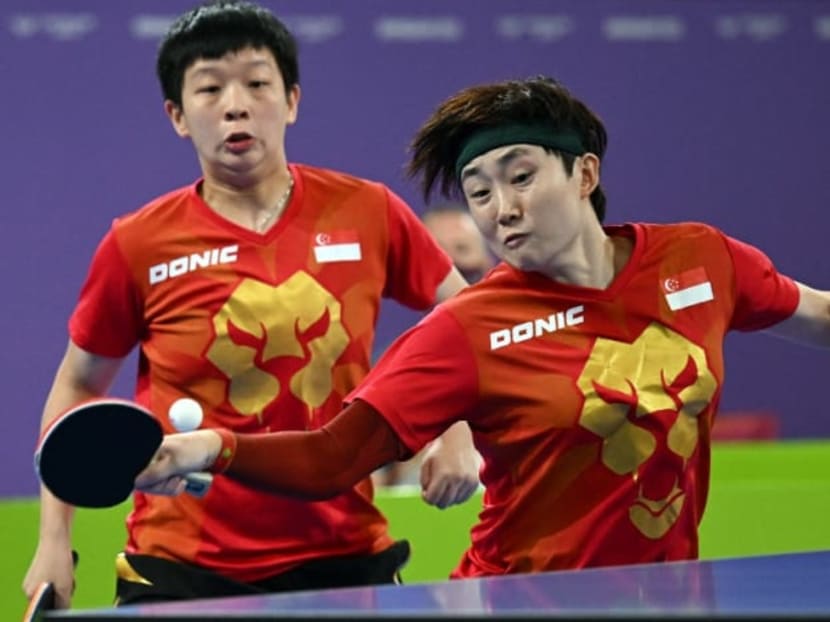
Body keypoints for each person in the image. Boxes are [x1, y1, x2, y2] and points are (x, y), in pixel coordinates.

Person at [136, 74, 830, 578]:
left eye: (521, 176)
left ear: (584, 173)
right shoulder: (466, 329)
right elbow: (333, 458)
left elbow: (818, 315)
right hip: (518, 601)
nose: (502, 209)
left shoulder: (700, 258)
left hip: (663, 594)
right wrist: (207, 449)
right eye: (479, 193)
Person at [22, 0, 482, 608]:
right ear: (177, 116)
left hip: (344, 552)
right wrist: (54, 539)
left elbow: (473, 320)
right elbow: (78, 389)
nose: (235, 104)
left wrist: (456, 427)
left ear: (291, 100)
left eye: (257, 84)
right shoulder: (138, 242)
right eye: (209, 89)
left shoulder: (367, 211)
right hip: (181, 564)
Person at [373, 203, 493, 487]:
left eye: (462, 249)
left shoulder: (529, 347)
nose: (451, 265)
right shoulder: (390, 371)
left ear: (487, 261)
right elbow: (373, 478)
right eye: (438, 255)